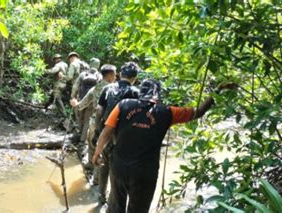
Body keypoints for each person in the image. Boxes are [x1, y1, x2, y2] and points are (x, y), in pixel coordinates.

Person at [92, 79, 237, 212]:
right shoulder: (167, 112)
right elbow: (198, 112)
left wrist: (97, 153)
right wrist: (218, 89)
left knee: (116, 206)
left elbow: (106, 132)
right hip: (145, 172)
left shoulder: (123, 105)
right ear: (157, 94)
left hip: (119, 167)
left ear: (141, 92)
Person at [93, 62, 141, 205]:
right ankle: (113, 200)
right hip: (123, 138)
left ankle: (101, 195)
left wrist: (98, 131)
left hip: (106, 134)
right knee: (118, 171)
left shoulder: (107, 88)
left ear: (120, 74)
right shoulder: (135, 92)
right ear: (135, 77)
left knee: (104, 165)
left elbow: (99, 111)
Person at [70, 64, 117, 180]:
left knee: (92, 147)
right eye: (115, 74)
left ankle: (91, 166)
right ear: (110, 75)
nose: (116, 77)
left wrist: (74, 103)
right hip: (107, 125)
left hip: (93, 123)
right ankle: (96, 178)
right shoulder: (115, 90)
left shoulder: (94, 89)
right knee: (103, 152)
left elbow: (81, 106)